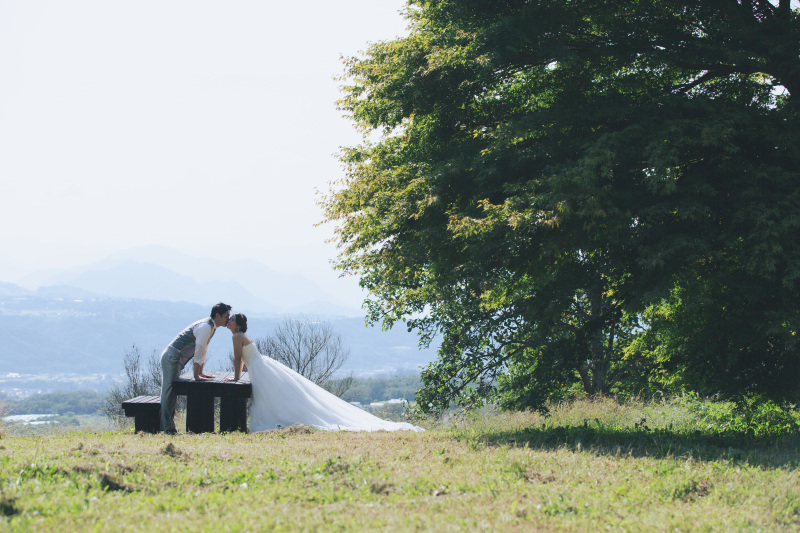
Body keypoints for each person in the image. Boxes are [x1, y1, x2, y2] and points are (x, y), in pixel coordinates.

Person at [224, 313, 423, 432]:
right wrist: (238, 375)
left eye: (232, 320)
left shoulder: (237, 336)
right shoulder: (241, 334)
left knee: (271, 398)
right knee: (275, 396)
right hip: (260, 366)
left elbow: (237, 358)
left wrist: (235, 378)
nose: (229, 322)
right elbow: (242, 359)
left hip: (259, 368)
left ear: (238, 324)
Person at [160, 302, 232, 433]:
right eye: (227, 316)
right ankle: (166, 428)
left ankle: (168, 427)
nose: (228, 319)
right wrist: (196, 375)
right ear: (218, 315)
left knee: (170, 393)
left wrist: (201, 372)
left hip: (175, 358)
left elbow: (203, 350)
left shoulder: (211, 327)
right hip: (172, 357)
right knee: (168, 393)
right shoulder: (205, 327)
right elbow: (199, 350)